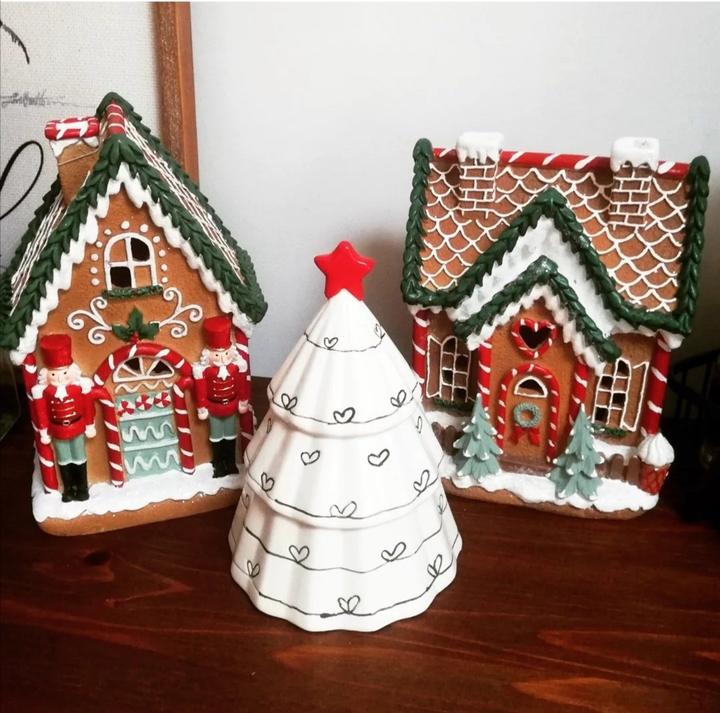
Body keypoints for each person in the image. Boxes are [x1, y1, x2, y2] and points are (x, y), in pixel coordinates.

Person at [32, 334, 96, 501]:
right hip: (57, 429)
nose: (60, 378)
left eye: (64, 373)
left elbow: (87, 407)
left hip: (77, 427)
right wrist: (44, 431)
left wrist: (89, 425)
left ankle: (82, 488)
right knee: (63, 459)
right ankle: (68, 488)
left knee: (79, 456)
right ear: (47, 374)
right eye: (54, 374)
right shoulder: (46, 393)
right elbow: (42, 412)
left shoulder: (77, 390)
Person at [193, 316, 249, 477]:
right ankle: (218, 464)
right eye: (217, 355)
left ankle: (230, 463)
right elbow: (201, 390)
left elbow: (241, 384)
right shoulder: (206, 372)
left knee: (230, 435)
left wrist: (243, 400)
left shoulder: (234, 369)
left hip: (231, 406)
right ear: (208, 355)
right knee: (216, 436)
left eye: (225, 353)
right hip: (214, 408)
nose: (223, 358)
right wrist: (202, 407)